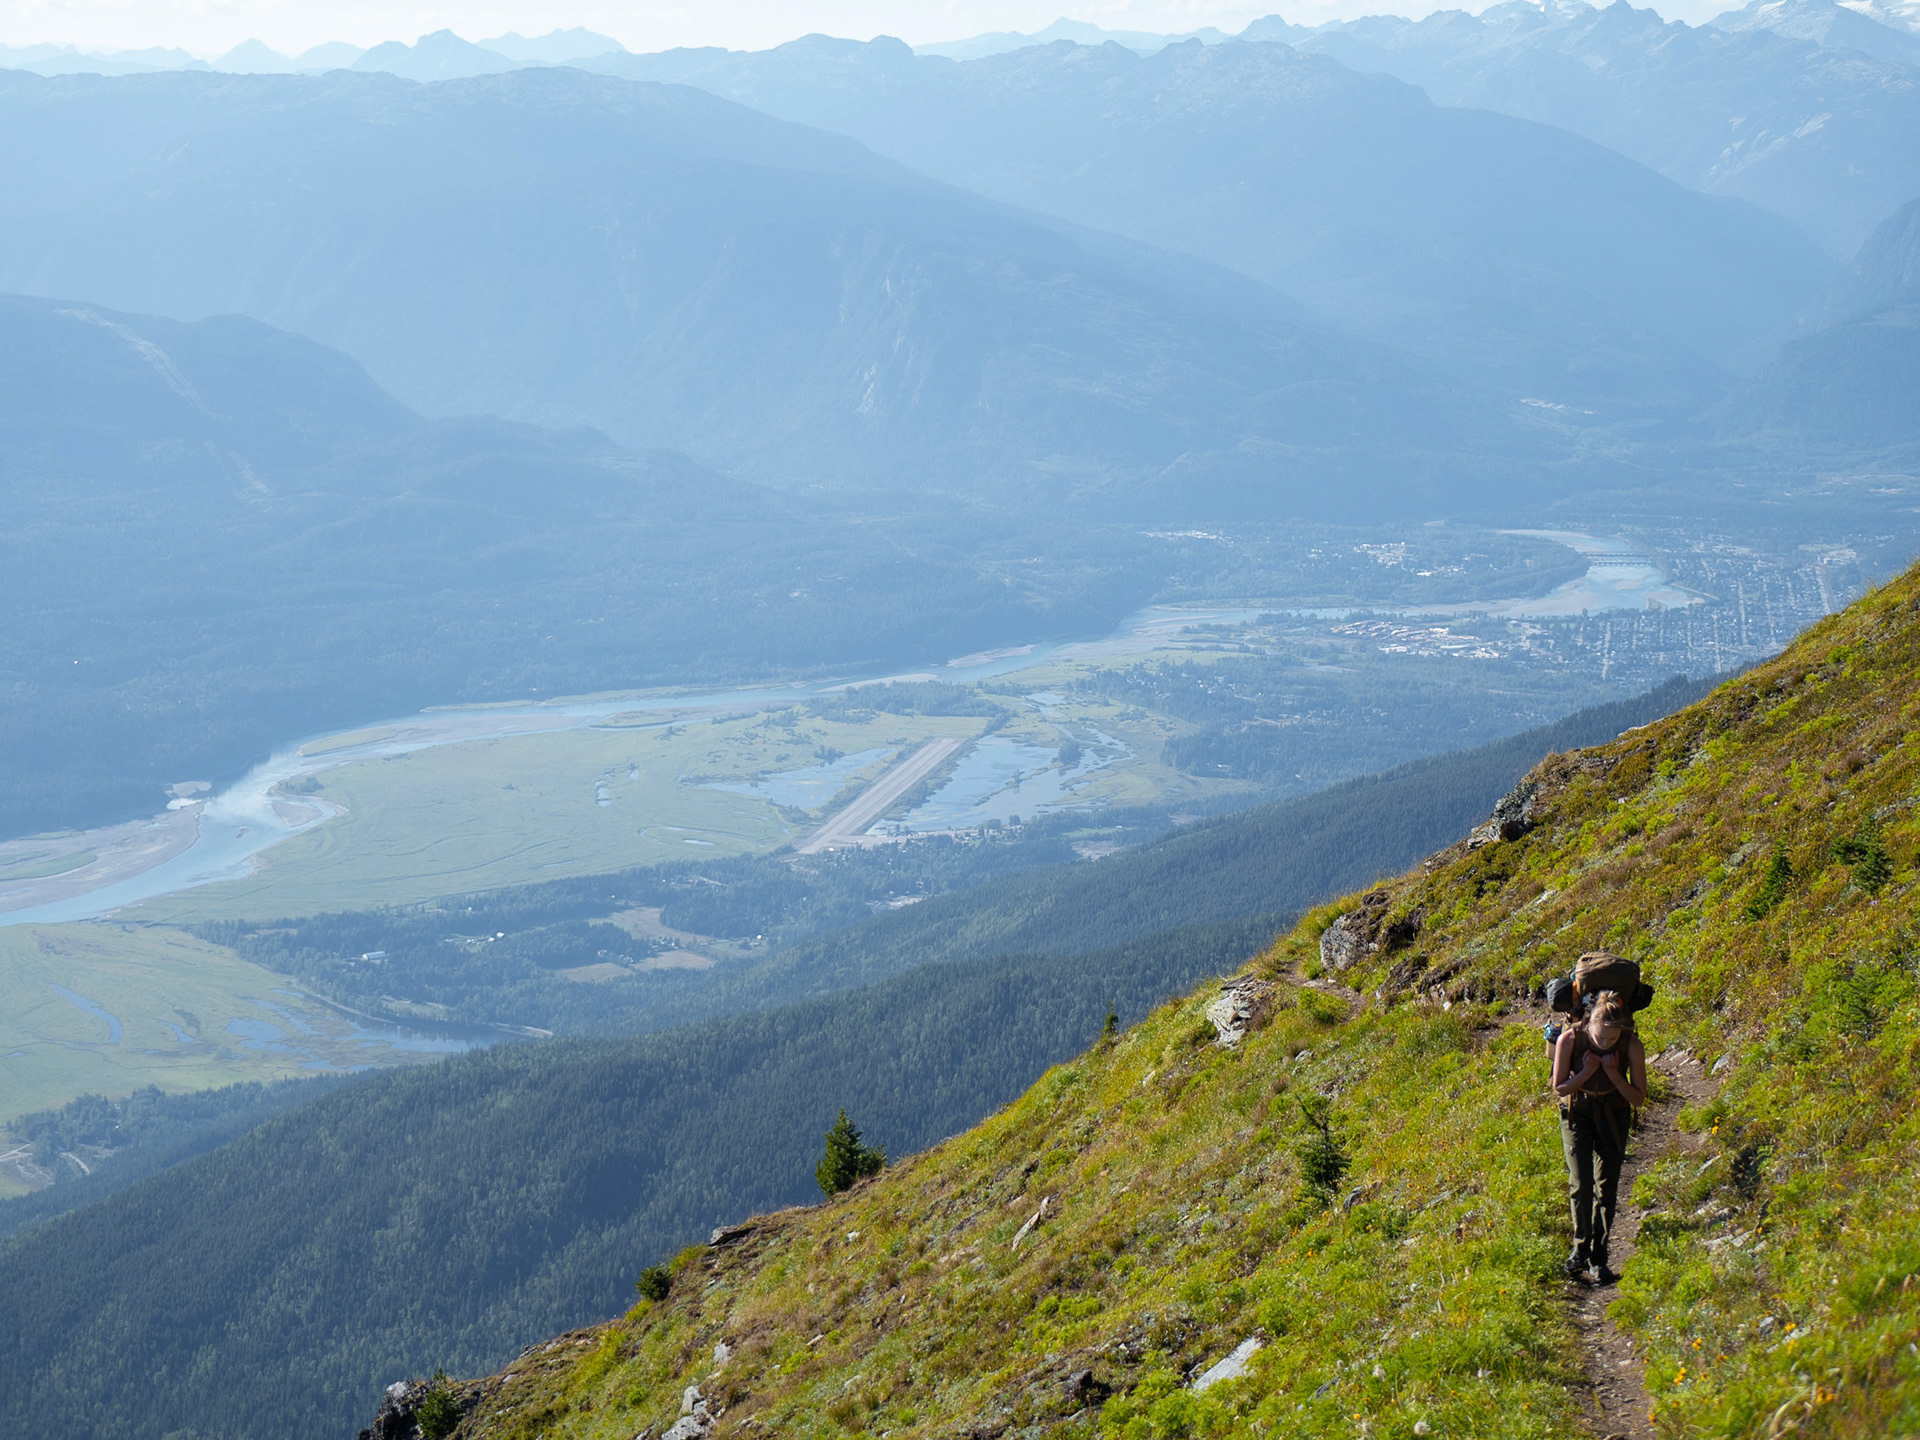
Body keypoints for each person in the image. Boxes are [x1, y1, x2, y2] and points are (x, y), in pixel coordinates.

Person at [1551, 991, 1646, 1283]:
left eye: (1612, 1038)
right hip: (1577, 1112)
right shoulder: (1569, 1040)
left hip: (1614, 1113)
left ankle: (1599, 1257)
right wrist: (1588, 1071)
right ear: (1589, 1023)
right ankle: (1580, 1250)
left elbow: (1638, 1098)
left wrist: (1614, 1074)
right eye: (1600, 1037)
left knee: (1607, 1186)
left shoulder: (1632, 1045)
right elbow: (1560, 1088)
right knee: (1581, 1182)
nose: (1605, 1043)